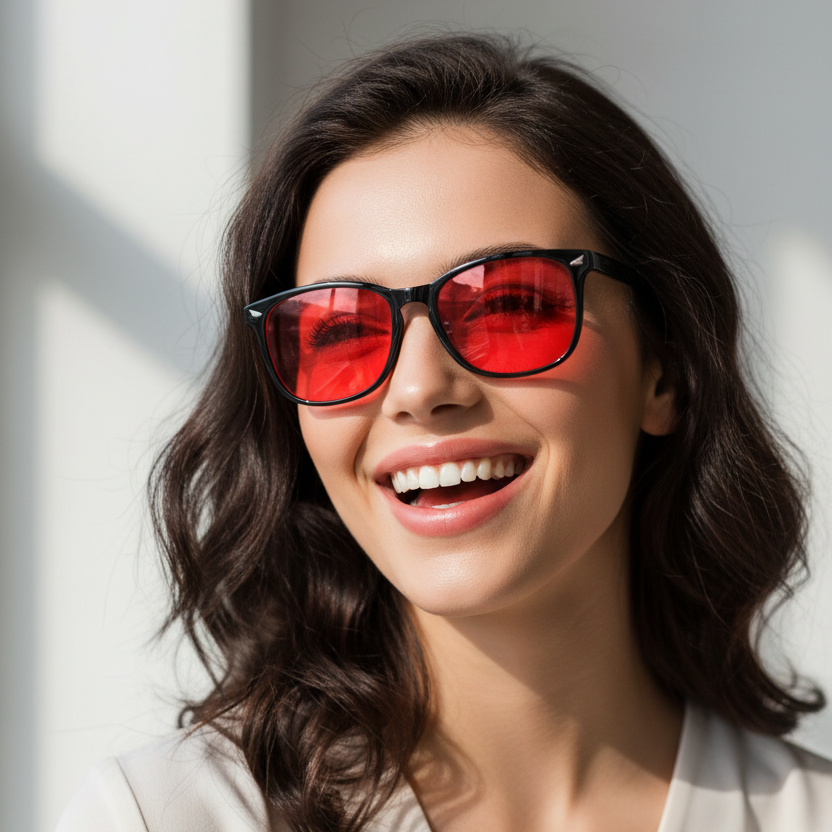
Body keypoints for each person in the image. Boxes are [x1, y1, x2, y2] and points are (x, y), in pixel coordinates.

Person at [57, 32, 832, 832]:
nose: (420, 389)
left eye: (511, 307)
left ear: (663, 372)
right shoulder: (164, 817)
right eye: (338, 331)